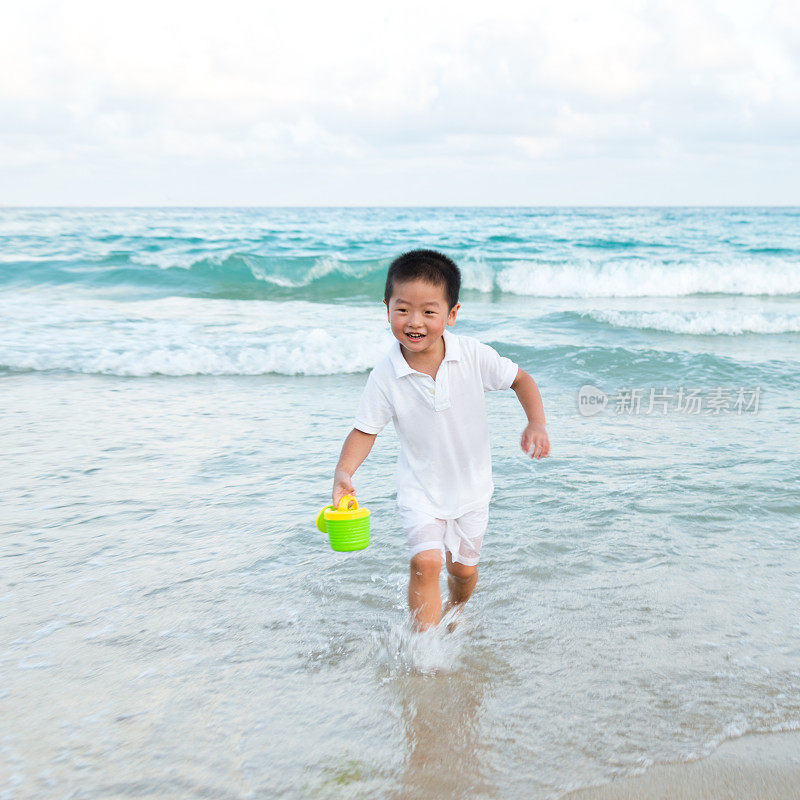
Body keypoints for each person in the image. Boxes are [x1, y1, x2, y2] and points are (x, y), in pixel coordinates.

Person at [331, 249, 549, 631]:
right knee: (425, 563)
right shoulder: (385, 375)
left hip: (472, 488)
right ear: (386, 309)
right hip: (420, 491)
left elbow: (522, 380)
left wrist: (536, 424)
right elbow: (365, 430)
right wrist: (344, 471)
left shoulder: (472, 355)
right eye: (402, 310)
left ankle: (458, 607)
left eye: (429, 312)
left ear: (451, 314)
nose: (414, 322)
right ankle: (425, 653)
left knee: (462, 572)